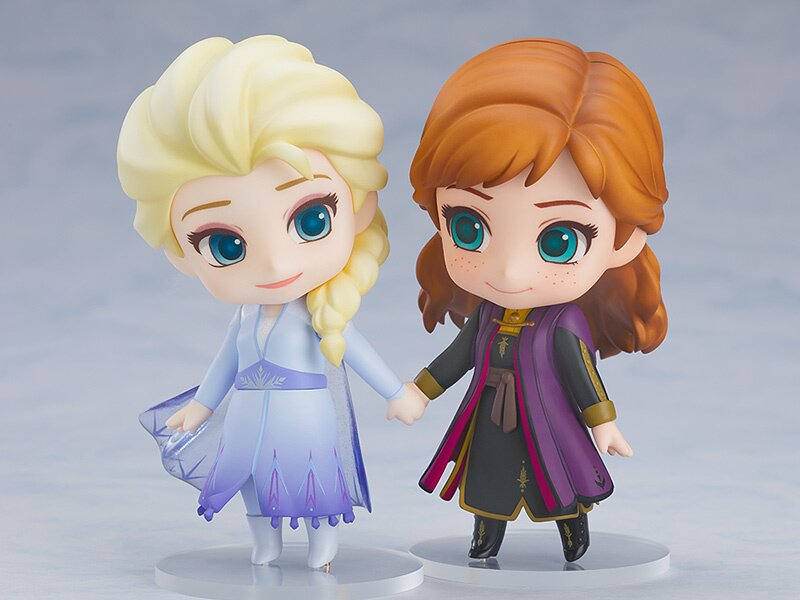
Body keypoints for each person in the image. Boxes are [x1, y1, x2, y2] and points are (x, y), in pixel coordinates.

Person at [117, 35, 427, 569]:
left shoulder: (319, 314)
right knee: (252, 482)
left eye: (311, 220)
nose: (277, 265)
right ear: (181, 255)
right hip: (246, 415)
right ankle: (266, 543)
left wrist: (397, 392)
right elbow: (225, 363)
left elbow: (354, 350)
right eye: (226, 245)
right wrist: (201, 407)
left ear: (358, 207)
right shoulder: (244, 318)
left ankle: (322, 545)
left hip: (303, 416)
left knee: (310, 483)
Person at [406, 38, 668, 562]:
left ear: (624, 240)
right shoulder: (486, 314)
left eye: (560, 240)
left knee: (559, 475)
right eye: (469, 226)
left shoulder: (564, 321)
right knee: (487, 477)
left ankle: (572, 528)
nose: (509, 271)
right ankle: (486, 532)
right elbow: (458, 356)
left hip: (549, 416)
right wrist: (419, 391)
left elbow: (581, 372)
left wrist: (602, 421)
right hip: (489, 417)